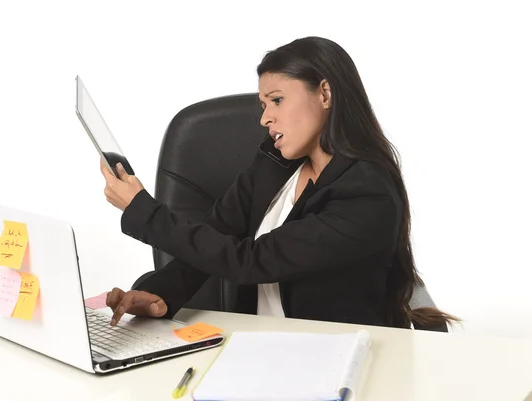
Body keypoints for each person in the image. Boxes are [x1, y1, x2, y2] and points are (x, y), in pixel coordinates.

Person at [99, 36, 457, 330]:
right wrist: (161, 294)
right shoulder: (275, 163)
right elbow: (219, 232)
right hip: (255, 347)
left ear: (325, 94)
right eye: (263, 104)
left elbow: (251, 261)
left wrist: (145, 212)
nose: (266, 117)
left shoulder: (367, 193)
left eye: (277, 100)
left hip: (331, 359)